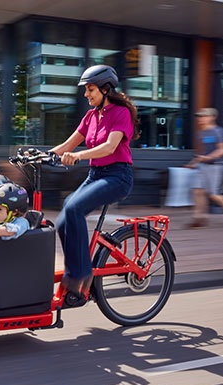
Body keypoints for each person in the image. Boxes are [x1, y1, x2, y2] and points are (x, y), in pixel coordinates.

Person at [49, 64, 137, 295]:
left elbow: (109, 148)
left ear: (106, 89)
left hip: (117, 177)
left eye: (90, 89)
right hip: (95, 175)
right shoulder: (90, 116)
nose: (86, 94)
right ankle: (73, 271)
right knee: (62, 221)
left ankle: (82, 273)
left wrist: (77, 156)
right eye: (86, 89)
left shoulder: (121, 113)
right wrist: (40, 156)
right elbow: (68, 145)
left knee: (75, 208)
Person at [184, 107, 223, 228]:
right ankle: (199, 219)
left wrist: (209, 157)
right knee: (197, 191)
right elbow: (200, 152)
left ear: (212, 117)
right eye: (199, 116)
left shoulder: (219, 131)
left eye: (204, 116)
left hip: (215, 166)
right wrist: (193, 163)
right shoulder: (200, 133)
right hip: (202, 166)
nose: (200, 119)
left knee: (213, 194)